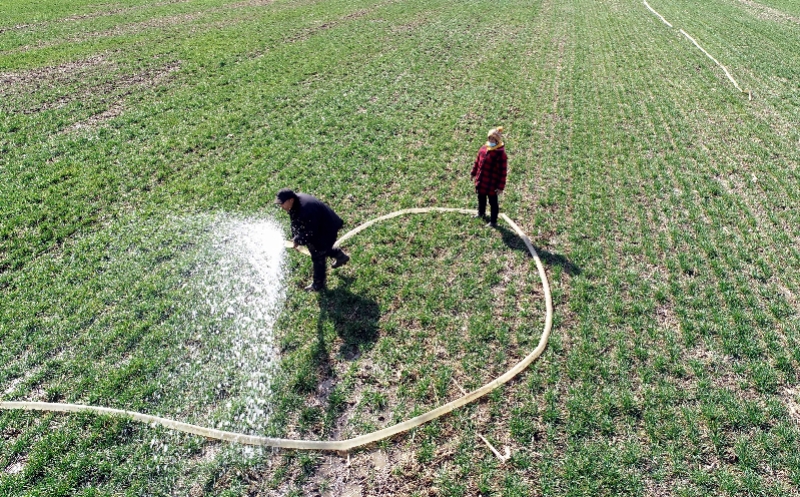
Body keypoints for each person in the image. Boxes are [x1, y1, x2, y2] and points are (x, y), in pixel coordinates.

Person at [276, 188, 350, 291]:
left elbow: (311, 232)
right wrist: (295, 237)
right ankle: (340, 256)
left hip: (328, 227)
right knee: (320, 248)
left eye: (282, 203)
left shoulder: (305, 210)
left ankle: (318, 284)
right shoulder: (295, 204)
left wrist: (298, 240)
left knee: (317, 253)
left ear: (290, 200)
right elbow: (296, 221)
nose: (281, 206)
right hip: (321, 225)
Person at [470, 126, 507, 228]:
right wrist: (473, 173)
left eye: (493, 139)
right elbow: (477, 162)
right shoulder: (483, 149)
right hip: (482, 182)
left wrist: (500, 187)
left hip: (492, 184)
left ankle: (493, 221)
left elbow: (502, 172)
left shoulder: (500, 154)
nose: (491, 140)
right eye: (490, 138)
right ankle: (481, 213)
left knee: (493, 203)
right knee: (481, 198)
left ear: (497, 140)